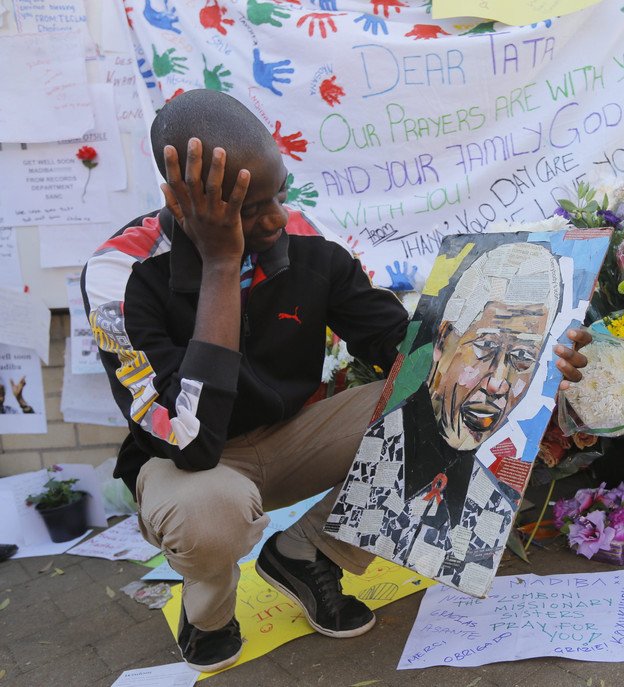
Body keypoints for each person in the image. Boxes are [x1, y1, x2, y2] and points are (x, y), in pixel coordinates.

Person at [81, 89, 590, 672]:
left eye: (279, 194)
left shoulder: (301, 239)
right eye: (249, 209)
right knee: (211, 514)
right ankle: (209, 613)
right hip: (190, 466)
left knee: (455, 401)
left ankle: (307, 552)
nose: (276, 219)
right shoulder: (120, 274)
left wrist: (540, 357)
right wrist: (221, 264)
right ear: (180, 200)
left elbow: (411, 353)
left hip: (293, 438)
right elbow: (192, 442)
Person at [326, 241, 565, 593]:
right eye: (485, 348)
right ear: (442, 342)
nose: (498, 383)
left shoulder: (491, 503)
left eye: (522, 358)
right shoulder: (375, 458)